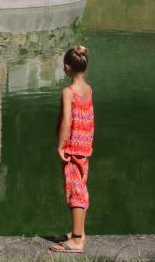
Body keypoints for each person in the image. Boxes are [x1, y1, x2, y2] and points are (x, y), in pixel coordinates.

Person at [50, 45, 95, 254]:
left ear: (67, 68)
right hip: (85, 146)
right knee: (81, 188)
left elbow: (67, 121)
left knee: (75, 192)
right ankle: (79, 232)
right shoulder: (88, 89)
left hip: (72, 147)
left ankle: (77, 240)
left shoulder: (68, 92)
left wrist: (60, 145)